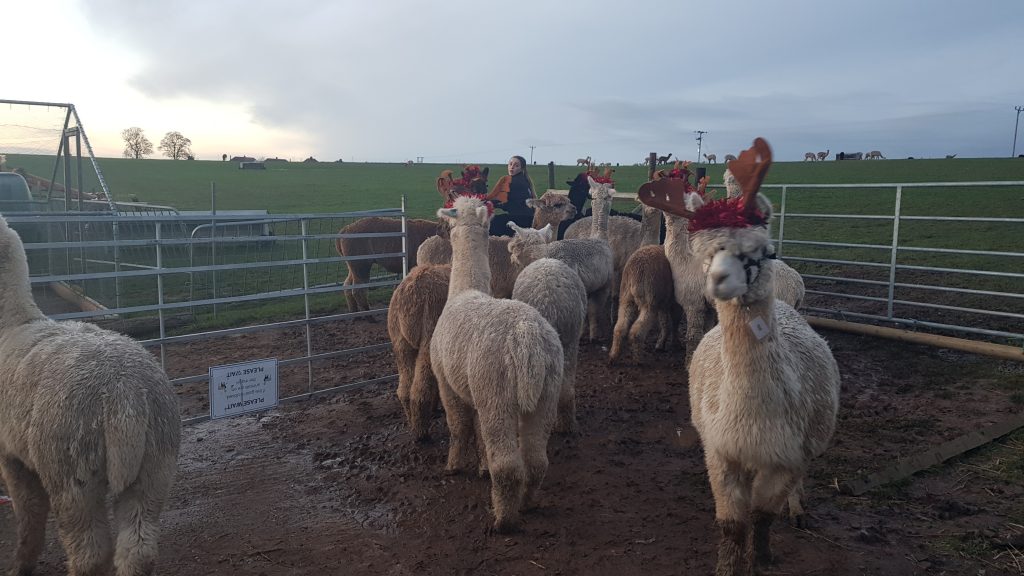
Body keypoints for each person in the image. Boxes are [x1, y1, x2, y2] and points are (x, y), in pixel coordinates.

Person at [486, 155, 536, 236]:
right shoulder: (524, 180)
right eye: (510, 164)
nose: (512, 167)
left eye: (516, 165)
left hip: (519, 219)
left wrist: (486, 202)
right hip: (529, 219)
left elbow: (499, 199)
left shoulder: (511, 181)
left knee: (489, 224)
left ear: (521, 168)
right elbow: (512, 201)